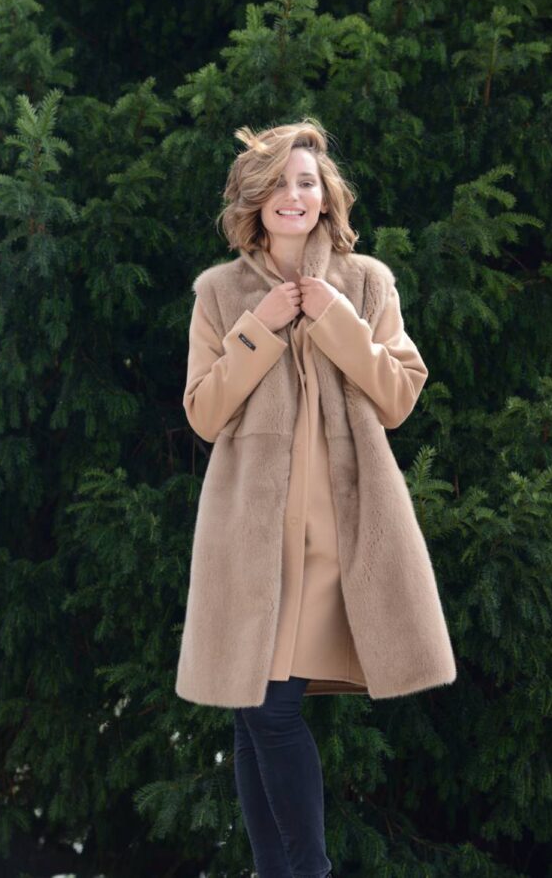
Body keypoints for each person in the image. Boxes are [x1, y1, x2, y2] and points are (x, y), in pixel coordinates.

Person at [176, 117, 457, 878]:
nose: (293, 195)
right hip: (250, 537)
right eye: (277, 183)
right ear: (254, 198)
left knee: (270, 708)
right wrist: (259, 328)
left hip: (337, 537)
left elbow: (398, 396)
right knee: (251, 711)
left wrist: (331, 316)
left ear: (326, 196)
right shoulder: (220, 292)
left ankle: (309, 872)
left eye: (306, 181)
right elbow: (203, 412)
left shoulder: (366, 283)